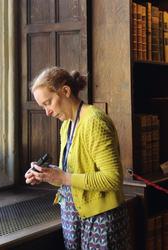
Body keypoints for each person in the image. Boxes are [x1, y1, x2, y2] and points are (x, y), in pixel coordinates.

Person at [25, 67, 132, 250]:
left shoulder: (94, 121)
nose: (47, 112)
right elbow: (70, 177)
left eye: (48, 102)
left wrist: (64, 177)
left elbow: (113, 178)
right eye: (43, 106)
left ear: (65, 91)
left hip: (101, 220)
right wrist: (46, 174)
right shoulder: (66, 125)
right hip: (74, 219)